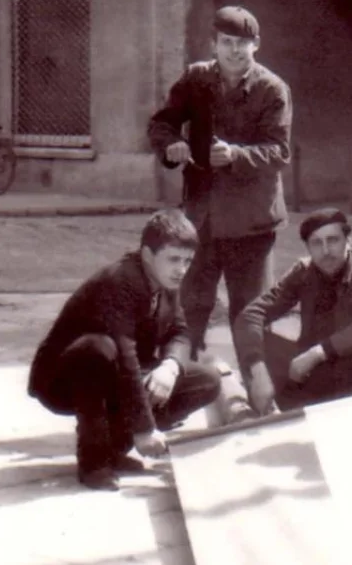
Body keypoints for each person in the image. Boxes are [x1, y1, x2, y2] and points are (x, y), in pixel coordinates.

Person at [26, 209, 223, 491]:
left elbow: (179, 332)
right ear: (147, 254)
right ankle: (94, 462)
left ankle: (113, 449)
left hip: (115, 370)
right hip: (63, 378)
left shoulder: (165, 279)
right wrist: (144, 429)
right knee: (98, 349)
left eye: (187, 261)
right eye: (173, 259)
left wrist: (170, 367)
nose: (181, 269)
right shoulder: (120, 280)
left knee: (207, 380)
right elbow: (126, 354)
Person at [147, 6, 292, 357]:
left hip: (251, 223)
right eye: (226, 42)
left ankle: (258, 388)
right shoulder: (196, 79)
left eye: (242, 43)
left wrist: (236, 155)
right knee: (188, 311)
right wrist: (172, 144)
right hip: (202, 221)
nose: (234, 50)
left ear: (256, 45)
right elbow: (161, 124)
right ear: (214, 44)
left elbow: (279, 152)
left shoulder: (272, 89)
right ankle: (182, 379)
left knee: (251, 317)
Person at [233, 208, 352, 414]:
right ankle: (275, 407)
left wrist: (318, 352)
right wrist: (257, 369)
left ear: (348, 240)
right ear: (308, 248)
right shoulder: (304, 272)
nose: (325, 251)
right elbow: (251, 315)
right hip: (325, 368)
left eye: (333, 240)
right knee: (263, 345)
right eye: (316, 243)